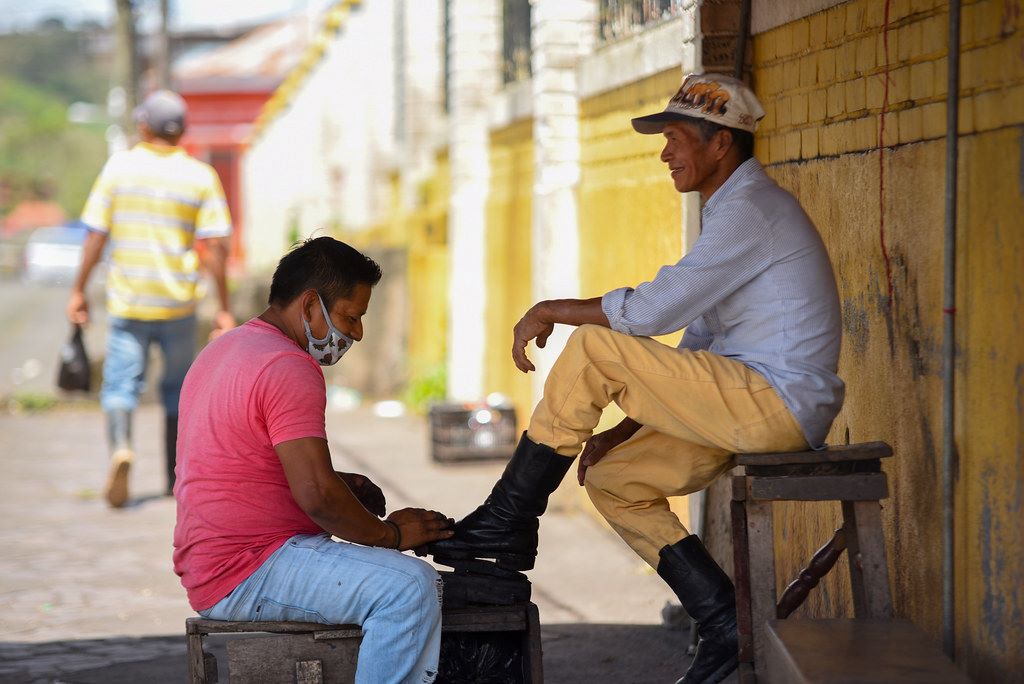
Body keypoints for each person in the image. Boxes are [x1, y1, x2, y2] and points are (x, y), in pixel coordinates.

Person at [429, 73, 844, 684]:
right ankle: (723, 620)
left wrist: (552, 310)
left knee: (596, 345)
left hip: (774, 402)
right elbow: (698, 340)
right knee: (614, 477)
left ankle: (509, 518)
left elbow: (653, 312)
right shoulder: (731, 213)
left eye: (676, 138)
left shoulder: (752, 210)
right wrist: (621, 433)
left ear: (720, 143)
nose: (664, 152)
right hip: (745, 397)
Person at [173, 237, 454, 684]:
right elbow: (318, 497)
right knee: (409, 588)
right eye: (350, 316)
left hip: (211, 562)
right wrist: (390, 534)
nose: (357, 333)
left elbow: (239, 464)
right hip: (246, 568)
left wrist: (340, 483)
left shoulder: (223, 350)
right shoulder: (289, 366)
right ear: (309, 305)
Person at [66, 90, 234, 508]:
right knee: (177, 389)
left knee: (120, 387)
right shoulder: (199, 175)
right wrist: (225, 307)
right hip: (178, 303)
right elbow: (215, 246)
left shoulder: (119, 168)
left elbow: (95, 235)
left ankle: (121, 449)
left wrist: (78, 289)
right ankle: (175, 480)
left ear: (144, 126)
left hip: (129, 301)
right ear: (183, 130)